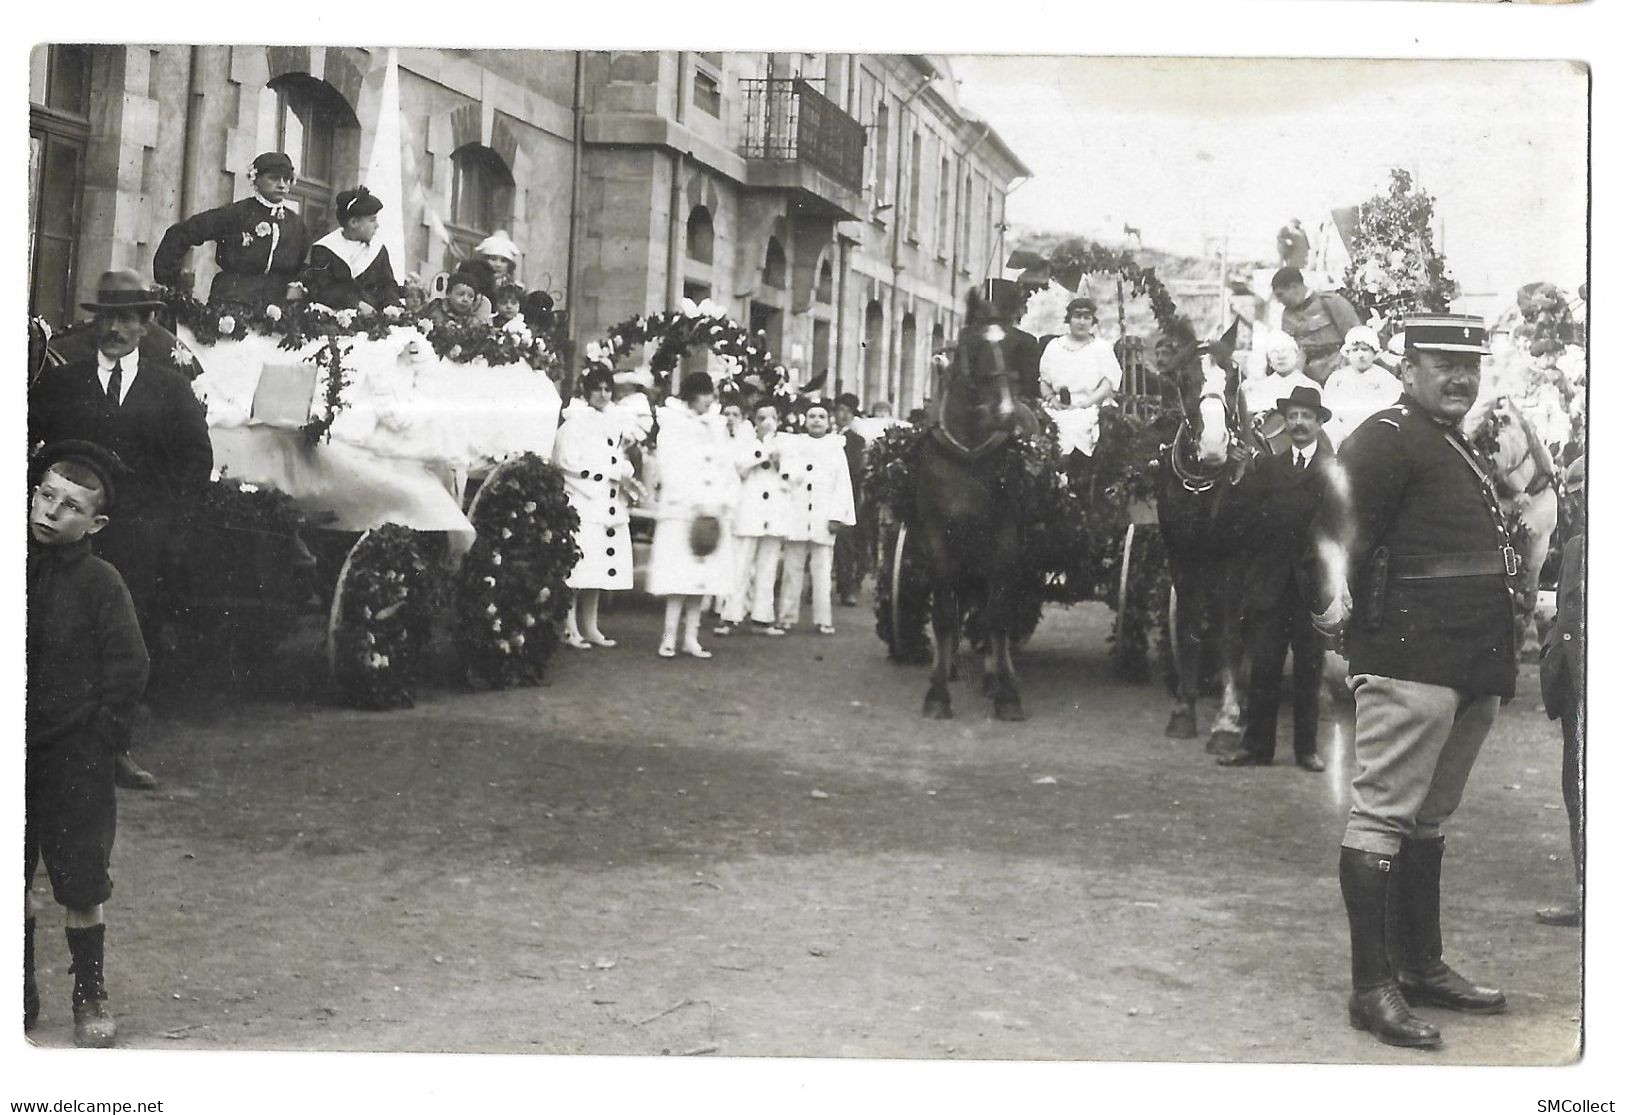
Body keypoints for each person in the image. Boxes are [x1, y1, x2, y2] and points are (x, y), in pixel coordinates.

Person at [1313, 312, 1517, 1049]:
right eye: (1442, 363)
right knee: (1382, 817)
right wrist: (1337, 638)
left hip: (1468, 662)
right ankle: (1372, 988)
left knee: (1427, 818)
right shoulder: (1385, 437)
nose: (1459, 376)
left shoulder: (1446, 438)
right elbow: (1332, 537)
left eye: (1470, 364)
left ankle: (1420, 965)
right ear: (1407, 369)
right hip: (1410, 657)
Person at [28, 270, 214, 791]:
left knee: (125, 642)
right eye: (107, 318)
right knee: (54, 630)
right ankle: (42, 745)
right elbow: (25, 441)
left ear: (146, 325)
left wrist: (162, 523)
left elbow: (195, 465)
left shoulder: (170, 389)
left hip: (137, 540)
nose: (115, 328)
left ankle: (114, 750)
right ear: (96, 322)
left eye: (127, 319)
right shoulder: (63, 383)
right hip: (65, 538)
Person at [26, 441, 151, 1046]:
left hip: (73, 756)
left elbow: (129, 667)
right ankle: (16, 988)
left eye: (71, 507)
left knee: (79, 878)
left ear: (95, 523)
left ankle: (88, 992)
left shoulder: (102, 583)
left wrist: (101, 739)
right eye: (46, 495)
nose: (51, 513)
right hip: (13, 754)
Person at [1217, 386, 1334, 772]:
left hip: (1310, 587)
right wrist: (1236, 473)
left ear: (1319, 423)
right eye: (1294, 416)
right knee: (1264, 667)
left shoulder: (1333, 471)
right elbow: (1244, 521)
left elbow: (1342, 528)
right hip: (1270, 585)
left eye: (1307, 417)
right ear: (1285, 422)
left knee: (1308, 669)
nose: (1299, 424)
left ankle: (1306, 750)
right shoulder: (1269, 467)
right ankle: (1258, 747)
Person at [647, 372, 735, 658]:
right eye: (704, 394)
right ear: (691, 395)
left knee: (702, 578)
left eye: (711, 395)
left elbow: (725, 464)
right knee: (679, 576)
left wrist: (721, 499)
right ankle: (669, 636)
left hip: (711, 510)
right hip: (682, 510)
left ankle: (692, 637)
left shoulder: (716, 425)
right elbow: (670, 465)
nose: (709, 400)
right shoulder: (673, 423)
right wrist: (693, 498)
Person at [152, 152, 311, 309]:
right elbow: (183, 233)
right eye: (274, 178)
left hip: (277, 313)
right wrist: (170, 280)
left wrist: (297, 286)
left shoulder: (296, 225)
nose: (282, 185)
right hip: (232, 305)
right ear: (256, 179)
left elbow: (307, 266)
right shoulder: (236, 213)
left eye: (286, 179)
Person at [553, 369, 638, 649]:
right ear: (586, 391)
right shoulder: (574, 422)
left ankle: (590, 626)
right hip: (584, 502)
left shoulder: (614, 422)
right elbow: (566, 463)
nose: (603, 394)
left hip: (608, 505)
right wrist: (606, 474)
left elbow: (618, 458)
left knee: (598, 568)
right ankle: (569, 628)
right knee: (579, 569)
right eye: (597, 389)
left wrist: (624, 470)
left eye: (607, 389)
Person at [1536, 456, 1585, 928]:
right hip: (1577, 691)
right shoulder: (1574, 548)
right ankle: (1585, 893)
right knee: (1577, 788)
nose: (1574, 499)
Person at [777, 399, 856, 634]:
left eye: (821, 417)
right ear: (805, 421)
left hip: (823, 514)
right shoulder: (793, 445)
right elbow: (786, 479)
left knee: (822, 570)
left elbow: (842, 485)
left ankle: (823, 619)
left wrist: (837, 516)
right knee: (792, 569)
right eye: (812, 416)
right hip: (798, 514)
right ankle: (787, 616)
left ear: (828, 421)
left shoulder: (835, 448)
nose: (816, 421)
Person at [716, 400, 791, 638]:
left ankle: (762, 617)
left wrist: (780, 462)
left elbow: (794, 478)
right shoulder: (744, 442)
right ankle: (731, 616)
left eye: (772, 418)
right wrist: (760, 454)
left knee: (767, 568)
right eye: (761, 418)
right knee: (740, 566)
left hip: (773, 513)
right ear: (754, 421)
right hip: (748, 511)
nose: (767, 423)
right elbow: (738, 469)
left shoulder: (786, 444)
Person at [1039, 296, 1124, 462]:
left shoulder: (1101, 348)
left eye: (1087, 317)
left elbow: (1107, 384)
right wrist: (1051, 399)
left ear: (1093, 321)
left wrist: (1086, 403)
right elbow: (1043, 382)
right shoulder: (1054, 347)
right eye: (1077, 316)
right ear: (1069, 320)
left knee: (1079, 425)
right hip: (1058, 406)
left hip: (1092, 405)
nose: (1082, 322)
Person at [298, 186, 402, 315]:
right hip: (335, 318)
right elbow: (321, 290)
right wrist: (355, 303)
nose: (377, 225)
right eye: (372, 220)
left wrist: (391, 305)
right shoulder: (325, 249)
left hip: (375, 319)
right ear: (353, 223)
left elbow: (388, 284)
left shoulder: (378, 249)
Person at [1273, 266, 1361, 386]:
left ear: (1294, 287)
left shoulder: (1331, 302)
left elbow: (1357, 338)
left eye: (1280, 295)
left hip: (1338, 373)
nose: (1278, 300)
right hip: (1306, 378)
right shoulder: (1287, 315)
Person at [1322, 325, 1401, 447]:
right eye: (1355, 350)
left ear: (1375, 353)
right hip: (1342, 436)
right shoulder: (1337, 379)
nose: (1360, 355)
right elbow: (1328, 409)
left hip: (1375, 436)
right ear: (1347, 353)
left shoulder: (1385, 379)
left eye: (1365, 349)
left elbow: (1391, 408)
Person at [831, 393, 869, 607]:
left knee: (845, 543)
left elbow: (855, 468)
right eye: (840, 410)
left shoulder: (856, 441)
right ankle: (816, 587)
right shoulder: (823, 434)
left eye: (848, 412)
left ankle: (846, 589)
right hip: (821, 494)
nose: (843, 415)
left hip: (847, 495)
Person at [421, 270, 492, 332]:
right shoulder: (432, 309)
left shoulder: (472, 323)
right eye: (460, 294)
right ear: (448, 293)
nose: (465, 299)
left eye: (470, 296)